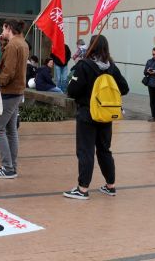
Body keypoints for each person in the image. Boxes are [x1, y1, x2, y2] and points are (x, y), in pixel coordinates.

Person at [64, 34, 129, 199]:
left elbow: (72, 91)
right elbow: (124, 88)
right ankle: (110, 186)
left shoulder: (84, 65)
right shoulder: (112, 67)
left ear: (90, 47)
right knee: (104, 149)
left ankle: (82, 189)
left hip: (87, 113)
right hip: (106, 114)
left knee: (86, 151)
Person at [0, 19, 29, 179]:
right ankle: (11, 166)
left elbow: (8, 71)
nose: (2, 31)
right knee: (11, 130)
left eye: (3, 28)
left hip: (9, 91)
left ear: (8, 28)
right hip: (17, 91)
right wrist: (2, 43)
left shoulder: (14, 45)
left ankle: (7, 167)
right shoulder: (22, 43)